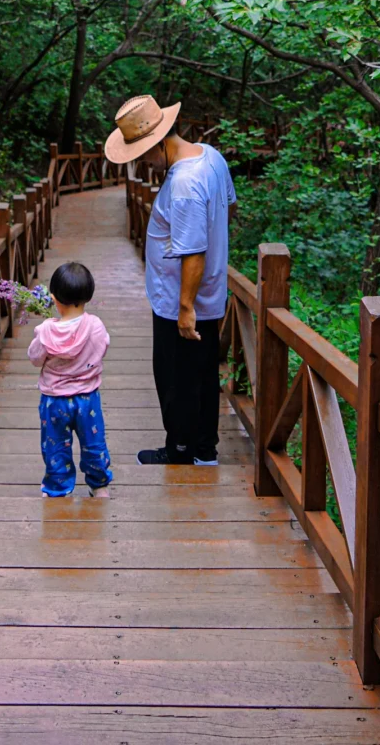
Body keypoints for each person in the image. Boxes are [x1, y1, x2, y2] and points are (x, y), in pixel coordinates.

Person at [104, 94, 236, 466]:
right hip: (208, 292)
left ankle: (180, 448)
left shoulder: (183, 185)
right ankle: (204, 448)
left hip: (181, 298)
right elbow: (228, 206)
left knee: (174, 377)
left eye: (145, 154)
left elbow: (192, 250)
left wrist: (185, 308)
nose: (144, 162)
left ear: (160, 143)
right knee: (204, 373)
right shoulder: (210, 156)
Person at [28, 260, 113, 498]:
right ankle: (99, 484)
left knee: (55, 445)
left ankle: (58, 487)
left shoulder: (46, 331)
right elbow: (102, 348)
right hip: (88, 399)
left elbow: (35, 358)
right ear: (88, 295)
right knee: (93, 442)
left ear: (53, 298)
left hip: (54, 400)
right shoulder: (95, 326)